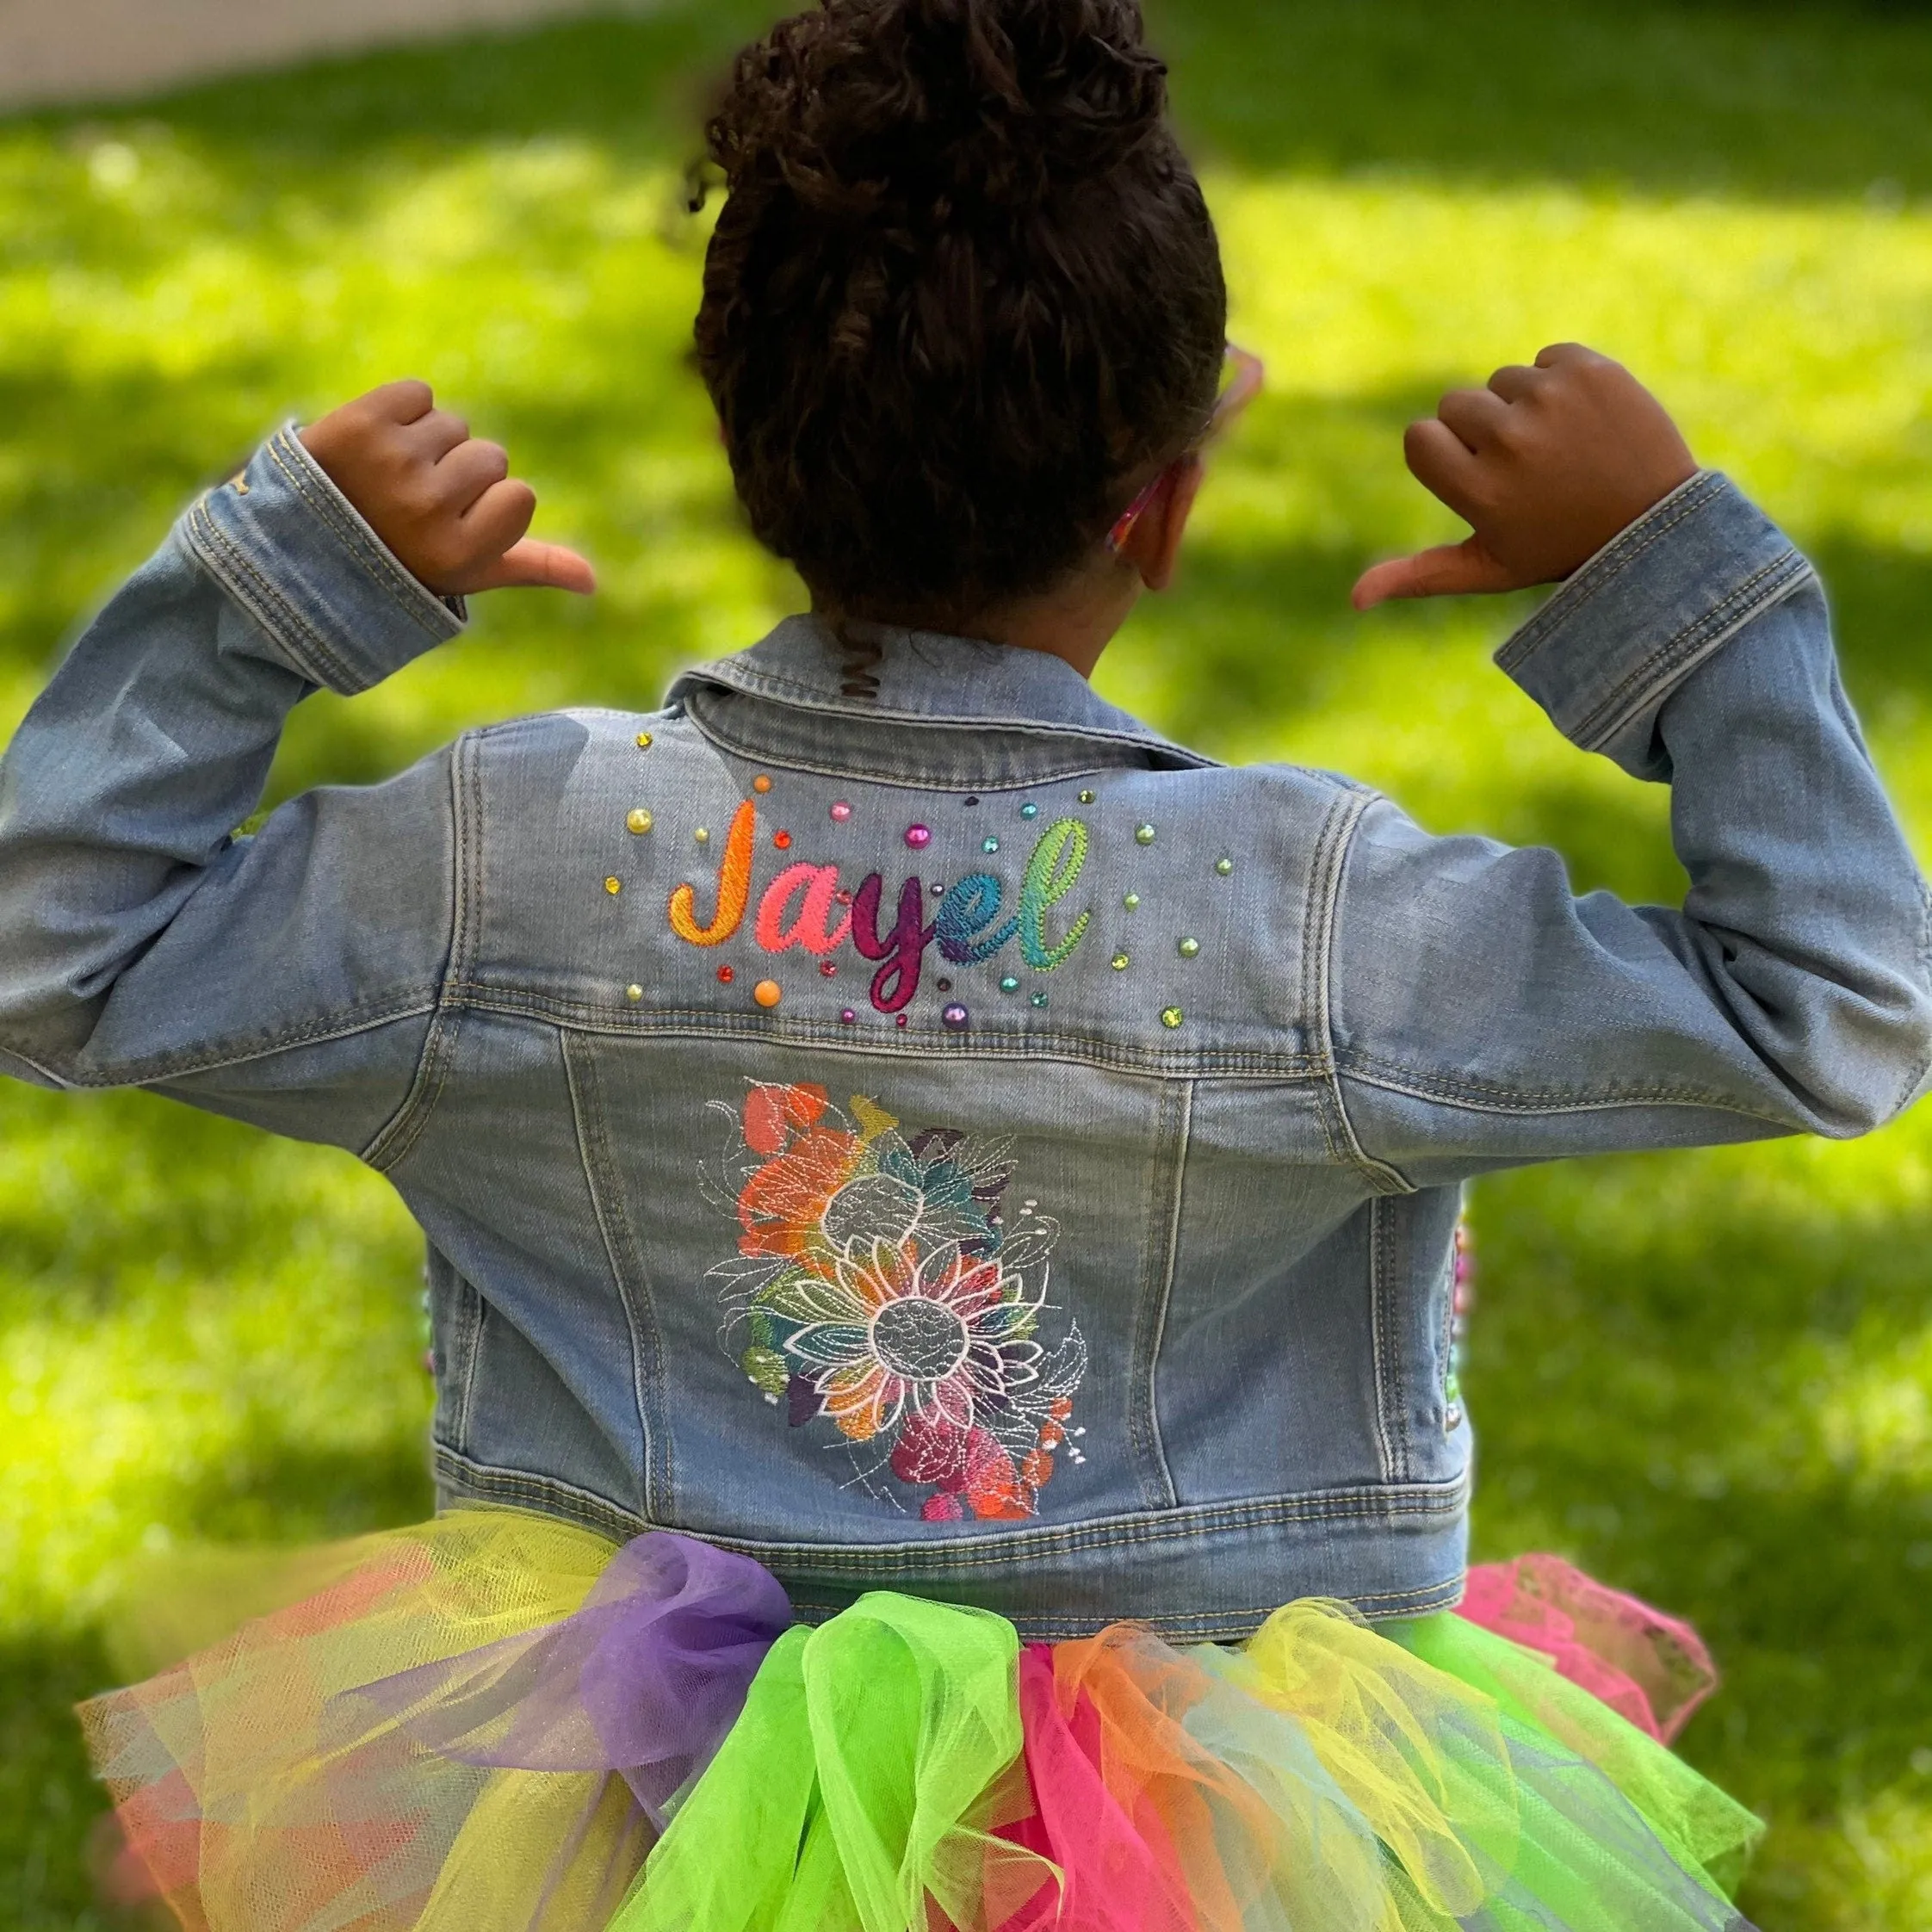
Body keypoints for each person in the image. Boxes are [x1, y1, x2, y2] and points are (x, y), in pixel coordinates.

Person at [4, 0, 1928, 1926]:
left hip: (636, 1843)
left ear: (746, 437)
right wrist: (1674, 584)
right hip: (1225, 1853)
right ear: (1163, 503)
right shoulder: (1317, 917)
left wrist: (267, 591)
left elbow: (50, 947)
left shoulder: (514, 867)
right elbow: (1837, 1008)